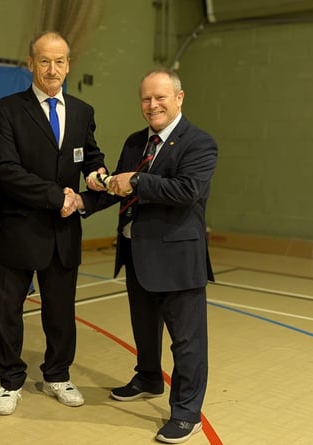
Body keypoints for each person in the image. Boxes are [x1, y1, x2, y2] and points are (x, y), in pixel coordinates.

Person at [80, 69, 217, 443]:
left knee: (187, 342)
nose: (152, 105)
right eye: (145, 99)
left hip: (177, 260)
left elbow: (187, 190)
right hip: (136, 253)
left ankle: (187, 412)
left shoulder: (199, 143)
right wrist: (87, 195)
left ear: (179, 98)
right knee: (144, 330)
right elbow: (118, 188)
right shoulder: (135, 141)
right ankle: (148, 377)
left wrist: (136, 181)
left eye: (160, 98)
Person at [0, 31, 107, 416]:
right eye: (44, 61)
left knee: (61, 311)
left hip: (63, 234)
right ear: (31, 64)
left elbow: (90, 156)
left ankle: (58, 374)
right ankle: (9, 380)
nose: (52, 69)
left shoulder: (82, 110)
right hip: (19, 230)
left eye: (59, 61)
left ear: (68, 65)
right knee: (9, 311)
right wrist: (60, 197)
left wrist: (97, 174)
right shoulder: (6, 109)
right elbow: (7, 170)